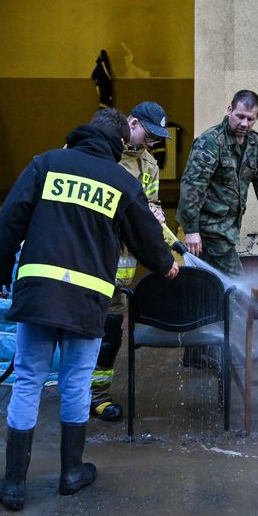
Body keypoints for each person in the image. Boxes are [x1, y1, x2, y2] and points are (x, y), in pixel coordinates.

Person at [0, 108, 177, 512]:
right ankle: (71, 473)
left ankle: (14, 484)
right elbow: (144, 234)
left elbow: (9, 221)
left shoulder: (46, 163)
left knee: (27, 381)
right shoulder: (120, 181)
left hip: (38, 295)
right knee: (75, 384)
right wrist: (166, 265)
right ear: (116, 143)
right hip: (87, 301)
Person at [90, 101, 170, 422]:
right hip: (90, 260)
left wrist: (155, 211)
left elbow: (151, 201)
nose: (151, 144)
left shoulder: (149, 165)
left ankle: (97, 396)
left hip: (119, 272)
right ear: (133, 123)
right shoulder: (101, 151)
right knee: (80, 332)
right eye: (148, 136)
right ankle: (74, 391)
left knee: (110, 336)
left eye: (156, 140)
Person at [177, 89, 258, 277]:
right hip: (208, 230)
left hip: (228, 230)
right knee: (237, 287)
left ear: (257, 117)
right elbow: (192, 187)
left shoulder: (254, 143)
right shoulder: (210, 142)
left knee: (208, 285)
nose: (244, 123)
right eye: (240, 116)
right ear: (229, 110)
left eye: (250, 119)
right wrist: (191, 230)